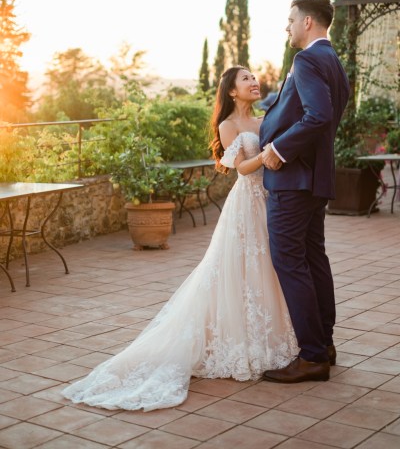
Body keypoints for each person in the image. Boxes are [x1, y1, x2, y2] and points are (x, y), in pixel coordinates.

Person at [62, 66, 298, 411]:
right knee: (238, 269)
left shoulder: (265, 119)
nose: (253, 81)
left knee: (268, 268)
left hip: (269, 201)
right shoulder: (228, 124)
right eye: (245, 78)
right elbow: (242, 168)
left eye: (253, 77)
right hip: (246, 202)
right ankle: (239, 344)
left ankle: (270, 338)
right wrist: (266, 155)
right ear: (232, 91)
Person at [259, 0, 350, 383]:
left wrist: (279, 148)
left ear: (308, 22)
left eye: (292, 19)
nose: (288, 27)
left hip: (293, 179)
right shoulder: (335, 62)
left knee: (291, 263)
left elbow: (319, 115)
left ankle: (312, 355)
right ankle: (324, 345)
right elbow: (325, 117)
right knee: (314, 260)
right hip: (315, 180)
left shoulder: (307, 59)